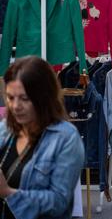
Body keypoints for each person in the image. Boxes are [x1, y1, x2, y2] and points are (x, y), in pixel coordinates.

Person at [0, 56, 84, 219]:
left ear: (43, 98)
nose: (16, 106)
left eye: (24, 98)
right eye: (10, 98)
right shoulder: (5, 130)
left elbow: (58, 202)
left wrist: (8, 193)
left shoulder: (65, 138)